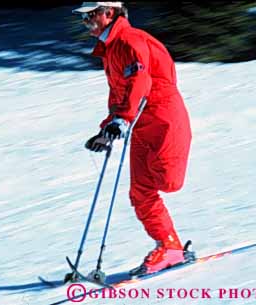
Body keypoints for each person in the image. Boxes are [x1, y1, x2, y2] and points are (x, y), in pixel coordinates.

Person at [72, 2, 193, 275]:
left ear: (109, 13)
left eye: (91, 14)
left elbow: (141, 81)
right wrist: (108, 128)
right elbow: (120, 93)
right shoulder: (111, 49)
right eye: (83, 16)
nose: (86, 20)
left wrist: (123, 118)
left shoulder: (130, 40)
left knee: (168, 182)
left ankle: (171, 248)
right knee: (140, 192)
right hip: (139, 126)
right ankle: (170, 247)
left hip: (164, 120)